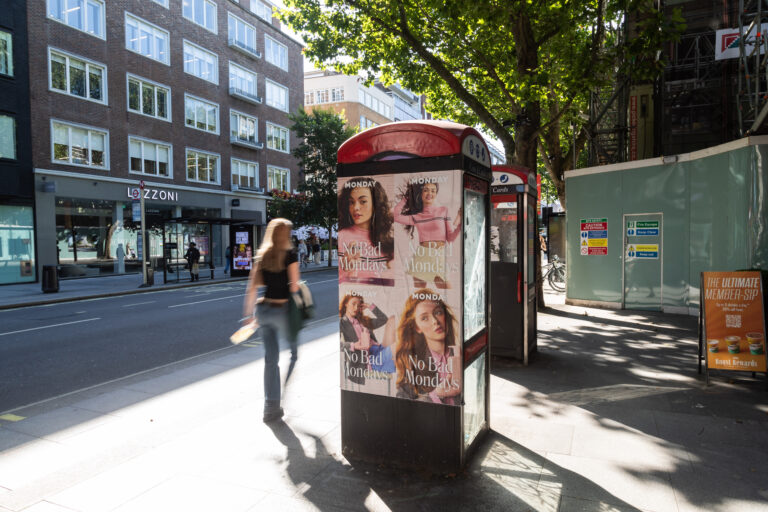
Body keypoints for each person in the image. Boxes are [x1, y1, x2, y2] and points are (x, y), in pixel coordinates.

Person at [242, 218, 300, 422]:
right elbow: (294, 287)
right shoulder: (290, 254)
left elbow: (252, 288)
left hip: (264, 310)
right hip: (283, 310)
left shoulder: (262, 255)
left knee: (270, 359)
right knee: (294, 353)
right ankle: (283, 395)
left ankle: (270, 407)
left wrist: (248, 316)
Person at [395, 289, 461, 405]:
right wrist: (436, 395)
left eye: (438, 313)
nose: (435, 321)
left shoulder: (459, 353)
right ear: (417, 327)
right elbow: (402, 404)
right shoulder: (412, 361)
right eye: (424, 318)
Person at [393, 179, 461, 289]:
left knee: (448, 293)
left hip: (438, 255)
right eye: (426, 190)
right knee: (421, 296)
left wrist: (459, 226)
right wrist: (407, 197)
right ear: (420, 193)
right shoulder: (417, 216)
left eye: (433, 191)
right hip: (422, 256)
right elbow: (395, 216)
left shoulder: (443, 210)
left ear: (436, 193)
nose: (430, 193)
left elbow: (451, 238)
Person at [337, 177, 395, 285]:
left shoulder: (389, 237)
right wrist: (348, 271)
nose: (356, 208)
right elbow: (341, 285)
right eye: (351, 202)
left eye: (363, 201)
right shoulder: (342, 236)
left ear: (376, 204)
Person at [339, 294, 396, 388]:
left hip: (377, 349)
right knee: (399, 349)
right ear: (346, 304)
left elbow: (384, 319)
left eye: (358, 305)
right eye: (353, 304)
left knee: (392, 320)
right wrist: (353, 346)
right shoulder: (342, 323)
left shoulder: (363, 320)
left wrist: (370, 306)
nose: (356, 308)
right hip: (368, 358)